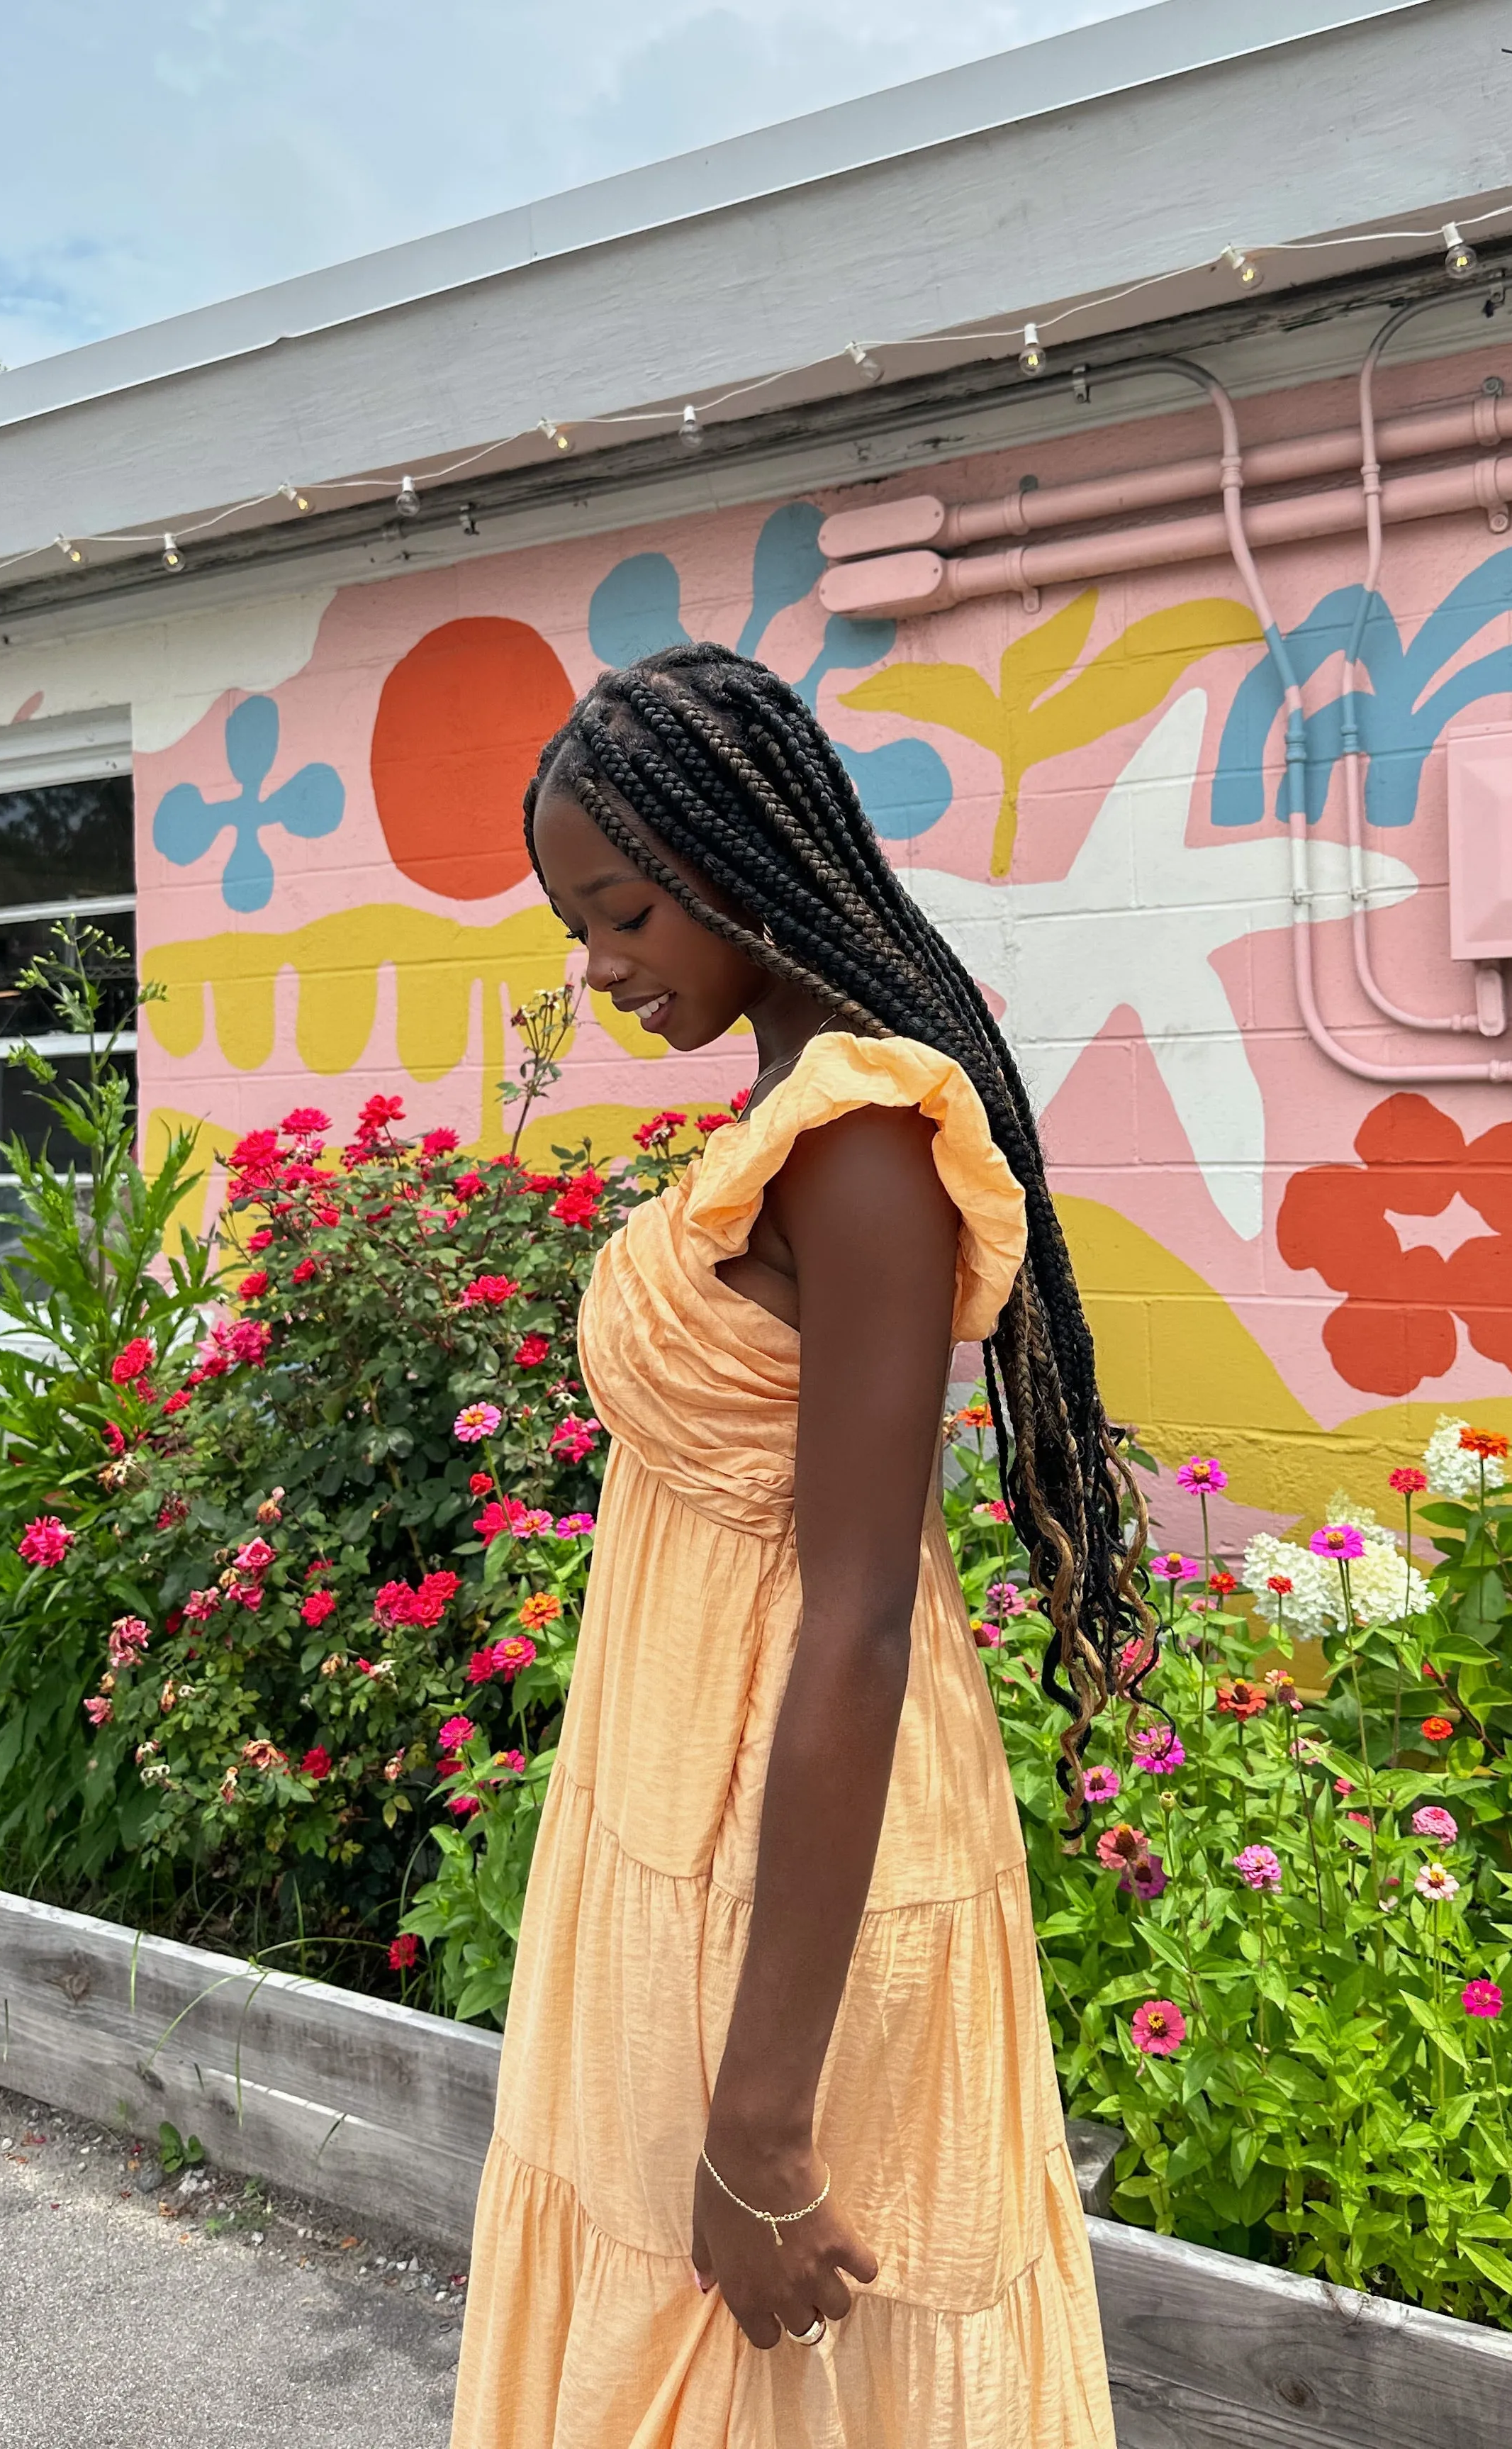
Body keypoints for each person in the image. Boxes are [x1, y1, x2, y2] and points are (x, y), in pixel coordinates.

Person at [451, 643, 1142, 2448]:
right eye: (573, 925)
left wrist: (762, 2120)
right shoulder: (780, 1111)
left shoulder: (860, 1142)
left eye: (620, 912)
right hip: (679, 1816)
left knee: (790, 2375)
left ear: (740, 852)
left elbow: (857, 1622)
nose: (597, 968)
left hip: (787, 1847)